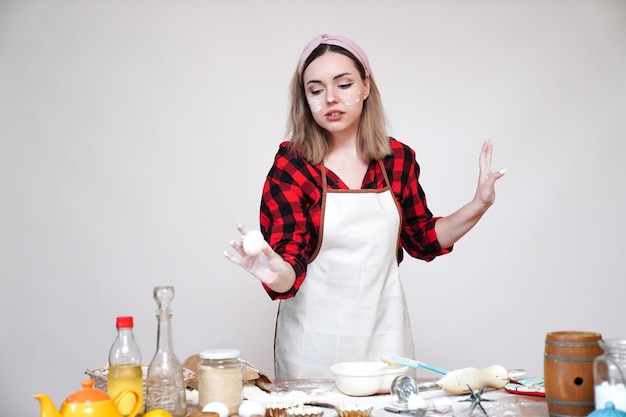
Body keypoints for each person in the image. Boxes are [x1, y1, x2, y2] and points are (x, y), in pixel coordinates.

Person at [224, 34, 506, 379]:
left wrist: (479, 204)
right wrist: (275, 273)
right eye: (315, 90)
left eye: (343, 84)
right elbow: (288, 266)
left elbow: (424, 238)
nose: (330, 98)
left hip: (386, 345)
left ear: (366, 86)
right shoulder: (293, 165)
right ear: (305, 99)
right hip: (312, 352)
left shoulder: (397, 159)